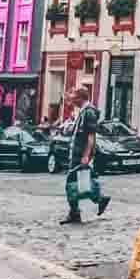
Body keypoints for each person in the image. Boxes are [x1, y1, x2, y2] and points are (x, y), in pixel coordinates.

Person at [61, 86, 110, 225]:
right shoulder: (82, 112)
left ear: (81, 98)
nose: (73, 101)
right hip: (77, 152)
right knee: (82, 183)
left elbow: (91, 137)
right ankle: (98, 200)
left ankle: (75, 212)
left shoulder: (89, 113)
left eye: (74, 98)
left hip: (80, 154)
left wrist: (86, 155)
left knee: (71, 183)